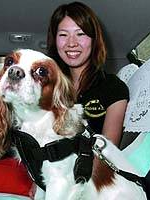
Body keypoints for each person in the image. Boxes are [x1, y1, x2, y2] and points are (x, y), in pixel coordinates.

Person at [46, 1, 129, 147]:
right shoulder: (47, 87)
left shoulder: (113, 87)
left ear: (94, 40)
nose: (71, 43)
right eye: (63, 35)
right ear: (55, 40)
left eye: (80, 34)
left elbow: (107, 155)